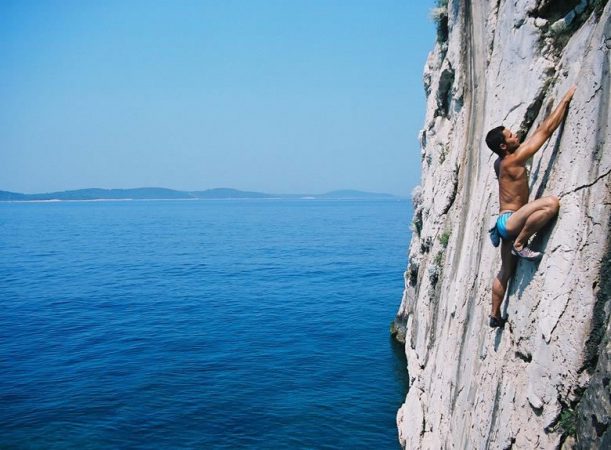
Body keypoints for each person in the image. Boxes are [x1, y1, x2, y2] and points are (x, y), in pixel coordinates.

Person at [485, 85, 576, 328]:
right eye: (511, 136)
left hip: (504, 222)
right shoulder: (514, 158)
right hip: (511, 221)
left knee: (505, 272)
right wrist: (566, 98)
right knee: (551, 204)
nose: (516, 136)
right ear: (504, 146)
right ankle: (520, 243)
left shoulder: (499, 163)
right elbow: (545, 131)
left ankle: (495, 315)